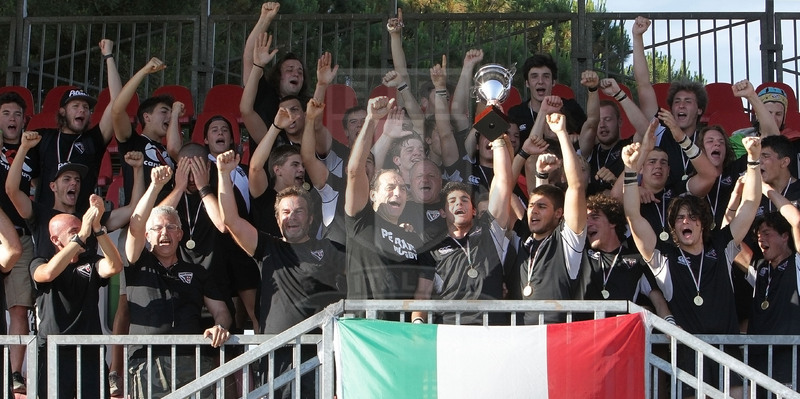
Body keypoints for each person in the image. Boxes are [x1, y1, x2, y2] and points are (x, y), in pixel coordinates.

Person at [622, 136, 763, 398]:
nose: (686, 220)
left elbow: (750, 204)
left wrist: (753, 160)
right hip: (688, 358)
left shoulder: (721, 246)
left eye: (692, 216)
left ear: (702, 222)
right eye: (679, 218)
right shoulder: (663, 257)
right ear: (673, 226)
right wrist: (630, 171)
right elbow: (633, 216)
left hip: (726, 354)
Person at [218, 149, 345, 398]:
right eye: (285, 213)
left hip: (317, 353)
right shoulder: (268, 247)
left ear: (309, 219)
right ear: (277, 220)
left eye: (298, 212)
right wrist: (223, 174)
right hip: (276, 354)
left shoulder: (330, 249)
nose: (292, 217)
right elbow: (231, 221)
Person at [124, 165, 231, 398]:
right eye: (158, 228)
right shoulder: (136, 263)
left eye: (171, 227)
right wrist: (155, 186)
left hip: (191, 361)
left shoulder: (197, 272)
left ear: (180, 234)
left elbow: (221, 311)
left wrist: (220, 326)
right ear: (147, 235)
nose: (165, 233)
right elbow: (135, 222)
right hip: (145, 361)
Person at [344, 96, 434, 320]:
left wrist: (417, 325)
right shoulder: (361, 221)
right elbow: (355, 170)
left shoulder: (417, 241)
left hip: (400, 333)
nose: (398, 192)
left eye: (403, 188)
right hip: (363, 331)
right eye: (390, 187)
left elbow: (421, 295)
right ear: (372, 194)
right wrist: (372, 121)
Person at [31, 196, 123, 398]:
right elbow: (47, 274)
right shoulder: (40, 262)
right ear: (55, 240)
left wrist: (98, 228)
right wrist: (81, 235)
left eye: (83, 229)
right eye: (74, 231)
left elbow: (115, 266)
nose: (84, 235)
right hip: (54, 351)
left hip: (89, 349)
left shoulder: (91, 261)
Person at [6, 131, 144, 259]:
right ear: (53, 186)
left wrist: (138, 169)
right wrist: (23, 148)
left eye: (77, 180)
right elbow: (12, 189)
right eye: (67, 179)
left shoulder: (89, 219)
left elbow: (134, 209)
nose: (74, 183)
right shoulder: (39, 214)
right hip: (49, 283)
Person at [507, 112, 587, 325]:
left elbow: (576, 186)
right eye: (531, 206)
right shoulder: (525, 237)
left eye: (542, 207)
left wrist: (561, 133)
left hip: (556, 342)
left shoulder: (567, 241)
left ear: (559, 213)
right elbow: (504, 190)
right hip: (520, 337)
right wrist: (523, 153)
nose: (533, 211)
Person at [427, 131, 513, 325]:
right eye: (452, 201)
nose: (460, 204)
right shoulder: (432, 248)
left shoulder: (491, 231)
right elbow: (423, 293)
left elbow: (502, 183)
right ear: (443, 212)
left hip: (491, 329)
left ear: (474, 211)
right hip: (450, 330)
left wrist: (497, 137)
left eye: (465, 200)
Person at [34, 39, 121, 212]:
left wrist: (109, 56)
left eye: (86, 107)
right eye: (75, 106)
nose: (82, 110)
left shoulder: (93, 139)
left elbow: (118, 102)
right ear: (62, 111)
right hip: (45, 223)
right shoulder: (43, 137)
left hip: (81, 223)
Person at [575, 194, 672, 319]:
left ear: (612, 222)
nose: (588, 223)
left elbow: (658, 300)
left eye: (594, 217)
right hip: (586, 335)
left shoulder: (637, 260)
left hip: (620, 336)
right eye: (586, 219)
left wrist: (670, 324)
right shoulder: (579, 254)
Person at [0, 91, 38, 394]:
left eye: (17, 114)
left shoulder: (34, 150)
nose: (12, 119)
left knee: (19, 308)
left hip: (21, 234)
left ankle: (15, 373)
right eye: (6, 113)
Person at [744, 187, 800, 391]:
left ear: (785, 236)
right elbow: (729, 240)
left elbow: (797, 221)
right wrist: (736, 197)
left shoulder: (797, 264)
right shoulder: (759, 268)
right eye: (758, 235)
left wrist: (767, 189)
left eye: (767, 233)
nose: (761, 239)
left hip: (789, 359)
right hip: (758, 360)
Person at [112, 57, 176, 201]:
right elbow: (117, 110)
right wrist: (144, 71)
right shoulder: (132, 142)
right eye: (164, 111)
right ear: (147, 117)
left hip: (168, 219)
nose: (170, 116)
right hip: (140, 219)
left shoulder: (172, 150)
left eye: (172, 113)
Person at [507, 53, 587, 142]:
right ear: (527, 83)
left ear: (553, 82)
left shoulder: (570, 107)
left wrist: (576, 138)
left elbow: (590, 134)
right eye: (534, 76)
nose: (540, 81)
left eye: (546, 76)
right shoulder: (516, 113)